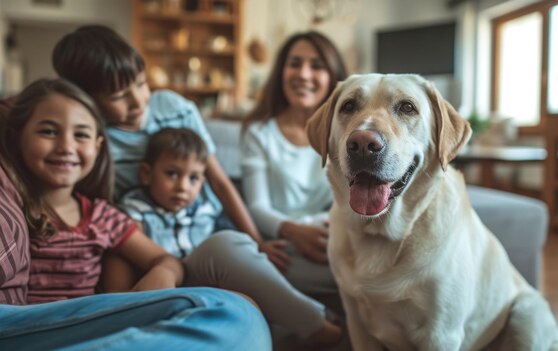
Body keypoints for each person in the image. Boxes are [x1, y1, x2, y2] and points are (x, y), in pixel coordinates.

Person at [52, 25, 341, 345]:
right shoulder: (93, 139)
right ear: (88, 100)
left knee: (231, 244)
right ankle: (323, 329)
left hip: (208, 229)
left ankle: (320, 326)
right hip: (152, 246)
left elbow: (219, 180)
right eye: (119, 96)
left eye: (141, 84)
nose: (137, 102)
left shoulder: (172, 107)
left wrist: (257, 241)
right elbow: (106, 217)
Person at [0, 79, 271, 350]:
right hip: (35, 324)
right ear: (16, 137)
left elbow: (164, 259)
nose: (66, 146)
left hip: (94, 321)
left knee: (242, 308)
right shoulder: (15, 207)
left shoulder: (101, 216)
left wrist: (164, 271)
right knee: (235, 315)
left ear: (97, 146)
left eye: (80, 135)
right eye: (48, 132)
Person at [241, 31, 348, 294]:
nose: (303, 74)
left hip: (330, 236)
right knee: (244, 261)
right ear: (281, 72)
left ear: (333, 76)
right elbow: (257, 206)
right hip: (279, 242)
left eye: (317, 66)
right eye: (295, 63)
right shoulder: (259, 132)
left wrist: (316, 228)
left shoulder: (346, 133)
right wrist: (293, 232)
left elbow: (348, 202)